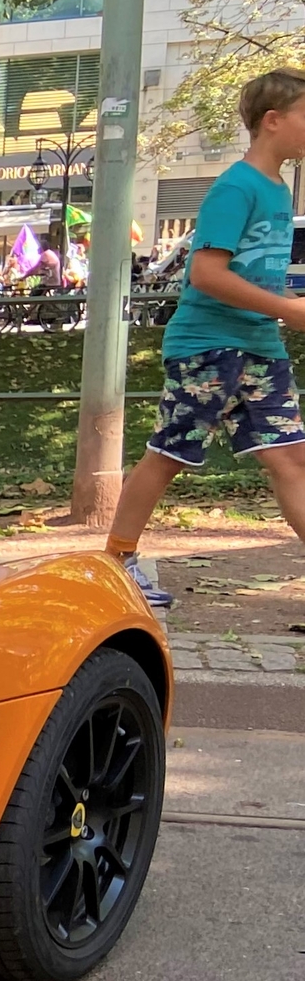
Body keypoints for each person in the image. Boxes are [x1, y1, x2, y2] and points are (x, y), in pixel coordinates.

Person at [106, 68, 305, 611]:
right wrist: (289, 309)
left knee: (293, 460)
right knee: (170, 454)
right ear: (273, 121)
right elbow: (207, 275)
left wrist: (282, 309)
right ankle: (117, 562)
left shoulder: (278, 186)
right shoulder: (235, 187)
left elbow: (253, 271)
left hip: (260, 346)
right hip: (207, 347)